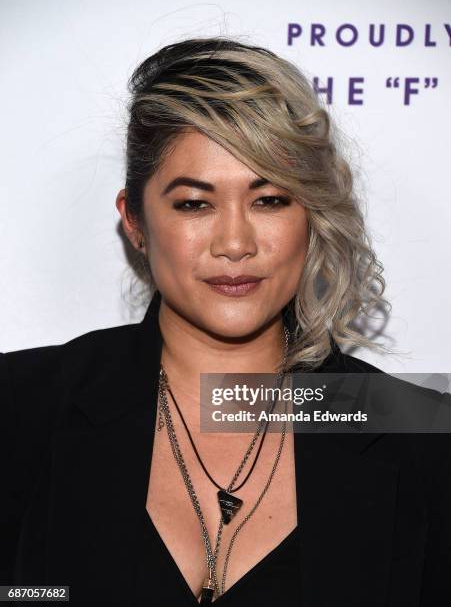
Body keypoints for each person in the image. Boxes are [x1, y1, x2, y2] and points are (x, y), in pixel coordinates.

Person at [1, 37, 450, 607]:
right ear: (135, 221)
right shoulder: (18, 407)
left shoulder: (420, 433)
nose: (235, 243)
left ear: (311, 216)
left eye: (270, 200)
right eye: (195, 203)